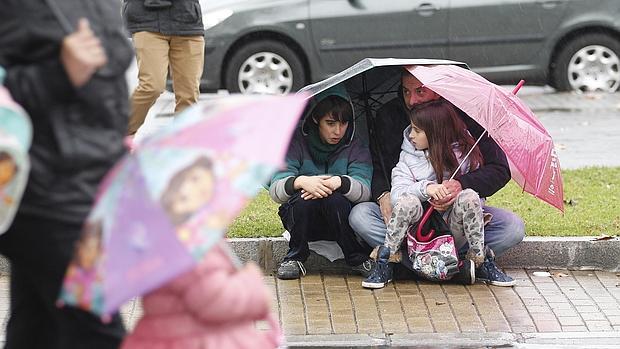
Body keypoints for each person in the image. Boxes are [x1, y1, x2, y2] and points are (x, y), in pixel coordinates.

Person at [0, 0, 133, 347]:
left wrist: (117, 152)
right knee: (100, 332)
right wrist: (59, 73)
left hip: (91, 181)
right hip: (41, 192)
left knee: (36, 329)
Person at [349, 70, 525, 285]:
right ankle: (444, 267)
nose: (412, 100)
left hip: (456, 220)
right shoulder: (391, 118)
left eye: (420, 91)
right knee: (360, 215)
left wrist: (460, 186)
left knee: (512, 227)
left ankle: (460, 262)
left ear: (440, 91)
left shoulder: (468, 119)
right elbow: (381, 166)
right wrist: (384, 194)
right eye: (406, 91)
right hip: (410, 217)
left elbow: (499, 170)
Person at [268, 84, 374, 280]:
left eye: (344, 124)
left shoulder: (356, 145)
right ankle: (294, 258)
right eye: (331, 123)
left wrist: (339, 182)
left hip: (341, 219)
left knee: (334, 198)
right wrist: (301, 181)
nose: (338, 131)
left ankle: (356, 257)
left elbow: (365, 191)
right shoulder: (295, 141)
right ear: (316, 119)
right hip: (302, 219)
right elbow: (275, 191)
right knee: (304, 198)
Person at [120, 240, 281, 349]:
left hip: (160, 337)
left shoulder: (154, 246)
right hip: (198, 341)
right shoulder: (191, 248)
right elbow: (216, 302)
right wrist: (251, 284)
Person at [123, 0, 205, 135]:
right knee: (152, 86)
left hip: (187, 20)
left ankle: (183, 143)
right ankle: (122, 134)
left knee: (188, 94)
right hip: (146, 20)